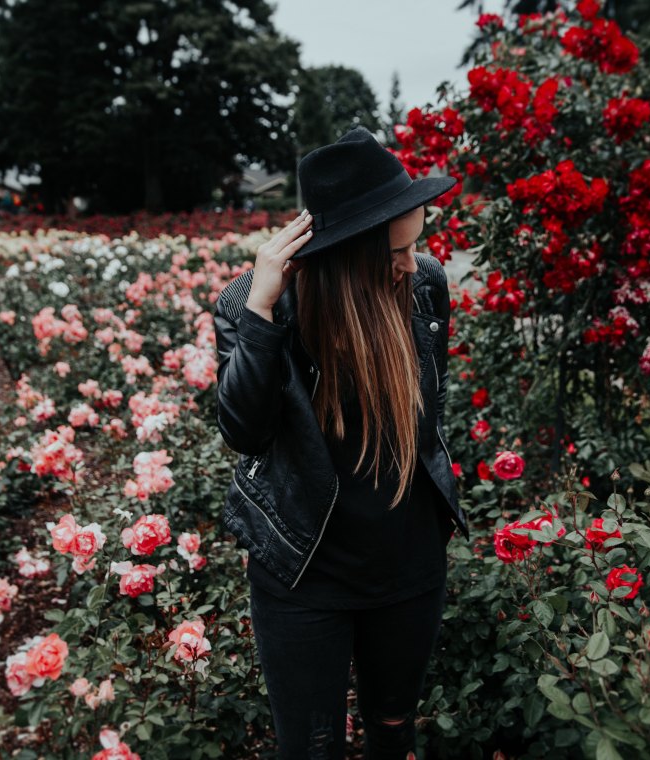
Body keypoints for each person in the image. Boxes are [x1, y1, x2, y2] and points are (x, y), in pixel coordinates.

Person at [213, 126, 470, 760]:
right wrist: (263, 313)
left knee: (392, 728)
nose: (413, 263)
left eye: (415, 246)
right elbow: (243, 431)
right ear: (346, 258)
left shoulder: (425, 285)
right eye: (395, 252)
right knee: (312, 748)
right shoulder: (255, 308)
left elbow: (425, 414)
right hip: (306, 573)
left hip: (409, 564)